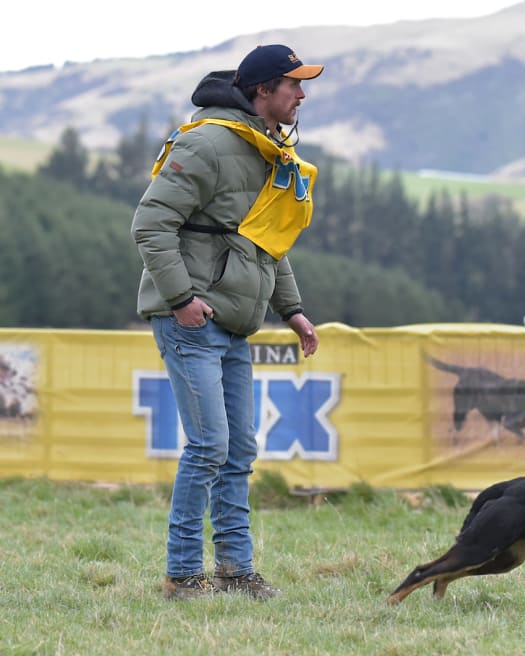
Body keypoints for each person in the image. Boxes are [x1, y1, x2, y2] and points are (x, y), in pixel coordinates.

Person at [131, 44, 324, 600]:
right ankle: (183, 574)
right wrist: (181, 298)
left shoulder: (266, 149)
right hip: (192, 319)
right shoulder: (208, 143)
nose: (302, 95)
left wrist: (292, 309)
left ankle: (236, 571)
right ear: (263, 91)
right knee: (210, 446)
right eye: (294, 85)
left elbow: (266, 239)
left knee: (239, 449)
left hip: (235, 321)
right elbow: (150, 224)